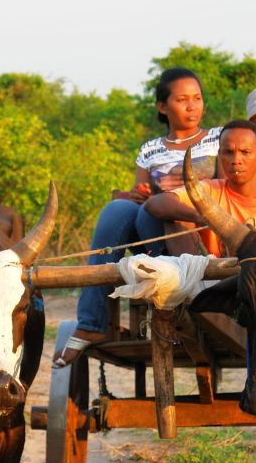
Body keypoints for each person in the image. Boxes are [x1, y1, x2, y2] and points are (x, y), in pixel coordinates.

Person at [53, 67, 222, 367]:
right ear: (162, 106)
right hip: (154, 233)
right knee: (120, 209)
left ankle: (174, 285)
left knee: (152, 207)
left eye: (197, 98)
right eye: (182, 99)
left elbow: (227, 191)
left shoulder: (218, 140)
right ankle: (92, 323)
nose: (193, 106)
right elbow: (139, 195)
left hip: (199, 234)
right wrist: (139, 193)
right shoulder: (150, 150)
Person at [144, 119, 256, 258]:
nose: (236, 160)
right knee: (175, 218)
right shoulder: (208, 191)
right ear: (220, 155)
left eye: (245, 152)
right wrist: (204, 216)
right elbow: (155, 204)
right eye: (228, 152)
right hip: (214, 285)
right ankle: (192, 289)